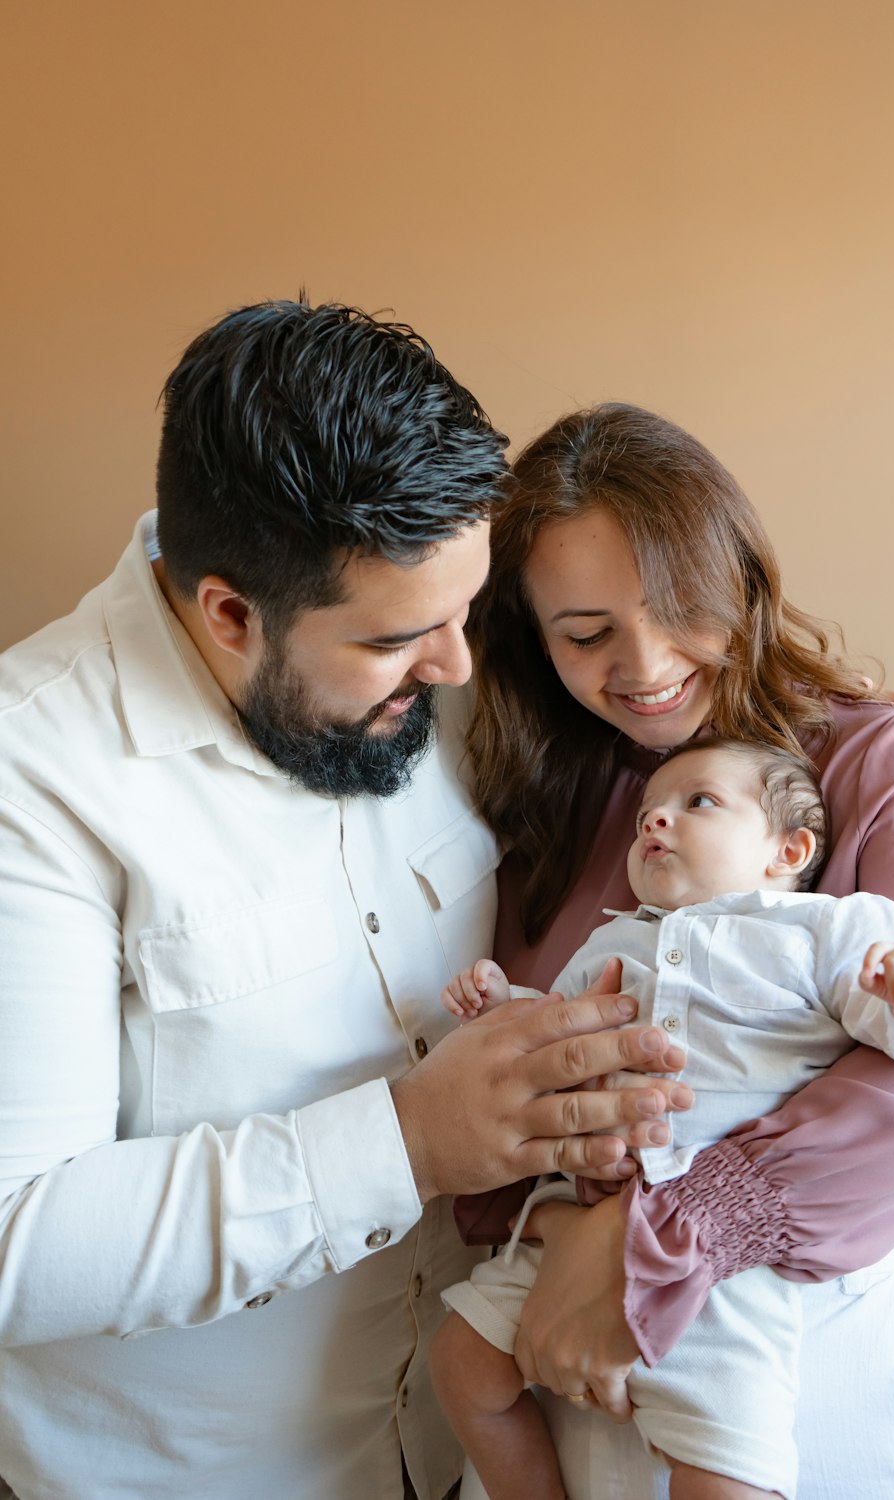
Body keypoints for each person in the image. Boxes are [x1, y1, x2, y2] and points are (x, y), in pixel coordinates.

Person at [0, 307, 693, 1500]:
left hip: (466, 1444)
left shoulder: (434, 656)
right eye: (401, 639)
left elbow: (664, 710)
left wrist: (864, 752)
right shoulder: (33, 775)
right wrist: (407, 1141)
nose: (460, 671)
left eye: (466, 614)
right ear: (229, 614)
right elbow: (15, 1242)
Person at [456, 404, 894, 1499]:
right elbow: (495, 1107)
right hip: (571, 1390)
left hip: (820, 1382)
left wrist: (665, 1236)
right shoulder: (546, 813)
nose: (644, 663)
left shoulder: (874, 757)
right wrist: (567, 1220)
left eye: (678, 606)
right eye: (584, 631)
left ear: (740, 577)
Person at [432, 737, 894, 1500]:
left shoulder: (822, 930)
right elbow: (551, 1037)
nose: (656, 821)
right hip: (576, 1221)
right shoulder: (612, 941)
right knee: (461, 1368)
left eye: (696, 803)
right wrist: (502, 1008)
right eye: (645, 816)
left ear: (788, 848)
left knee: (725, 1475)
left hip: (730, 1276)